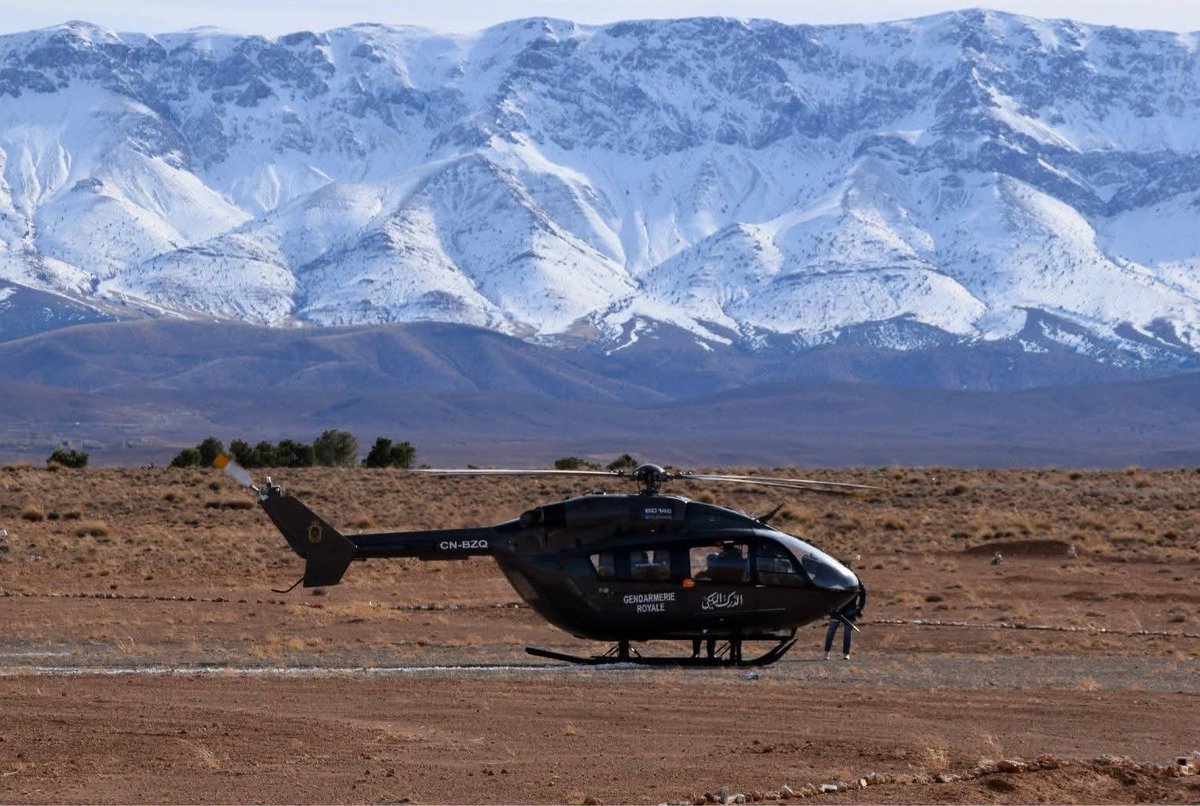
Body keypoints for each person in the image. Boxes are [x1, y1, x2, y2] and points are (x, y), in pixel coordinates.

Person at [824, 581, 867, 660]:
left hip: (849, 609)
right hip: (837, 608)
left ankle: (846, 654)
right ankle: (826, 652)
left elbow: (863, 592)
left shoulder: (854, 579)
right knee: (832, 630)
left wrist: (860, 608)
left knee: (847, 632)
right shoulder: (838, 575)